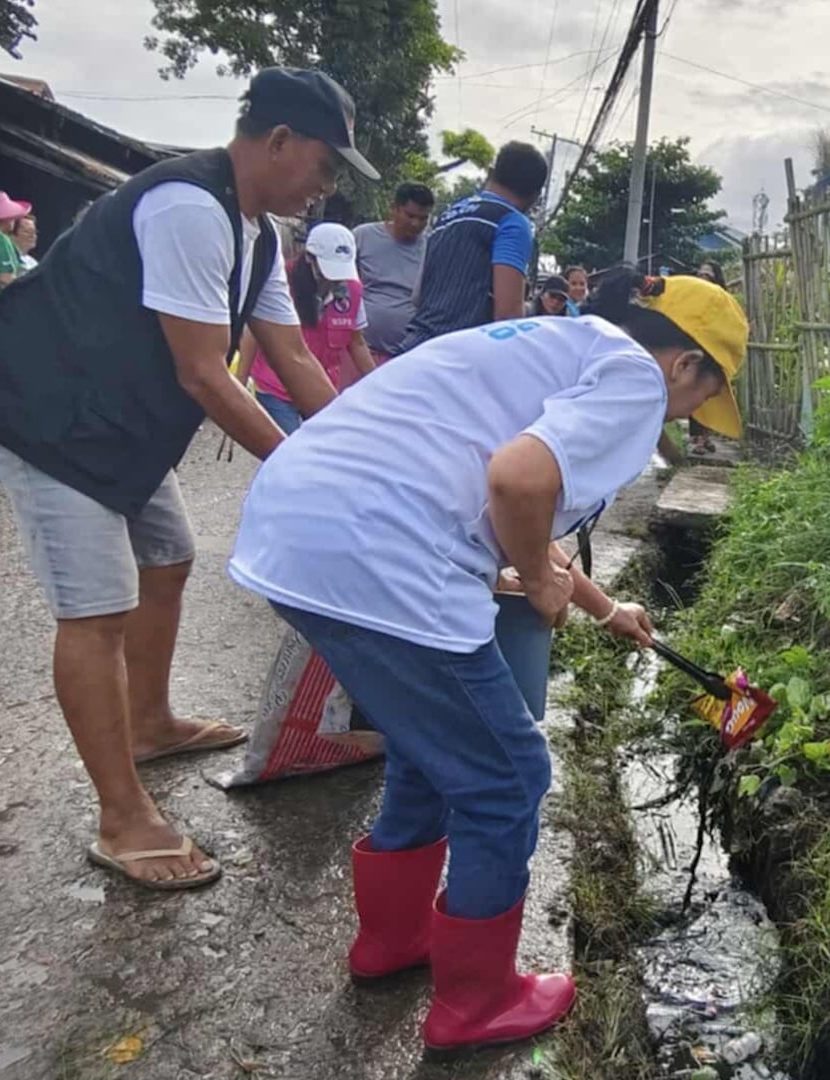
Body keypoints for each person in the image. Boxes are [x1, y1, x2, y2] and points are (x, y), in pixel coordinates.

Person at [226, 269, 746, 1050]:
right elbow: (517, 482)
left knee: (430, 750)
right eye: (701, 397)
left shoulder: (563, 342)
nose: (687, 416)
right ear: (685, 364)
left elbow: (518, 502)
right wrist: (536, 578)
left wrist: (605, 608)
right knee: (507, 778)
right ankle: (476, 1002)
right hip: (383, 553)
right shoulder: (638, 382)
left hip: (299, 529)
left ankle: (391, 942)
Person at [0, 67, 378, 891]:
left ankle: (147, 722)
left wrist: (362, 455)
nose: (326, 186)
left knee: (169, 555)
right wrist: (308, 470)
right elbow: (205, 375)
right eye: (326, 164)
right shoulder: (188, 207)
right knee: (96, 608)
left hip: (112, 418)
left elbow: (291, 356)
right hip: (42, 413)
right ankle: (122, 818)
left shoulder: (258, 236)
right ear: (279, 140)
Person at [394, 141, 550, 353]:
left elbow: (417, 297)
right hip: (458, 355)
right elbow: (507, 316)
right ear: (535, 195)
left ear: (492, 173)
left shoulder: (449, 215)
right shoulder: (512, 222)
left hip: (415, 346)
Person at [243, 222, 376, 433]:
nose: (334, 280)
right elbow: (254, 334)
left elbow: (356, 342)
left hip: (320, 386)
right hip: (276, 386)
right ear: (309, 258)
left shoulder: (352, 290)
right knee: (288, 445)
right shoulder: (280, 282)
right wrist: (240, 383)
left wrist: (377, 383)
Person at [354, 182, 433, 361]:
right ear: (394, 209)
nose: (416, 223)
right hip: (360, 348)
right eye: (410, 215)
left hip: (406, 355)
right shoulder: (362, 236)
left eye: (423, 218)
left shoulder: (431, 247)